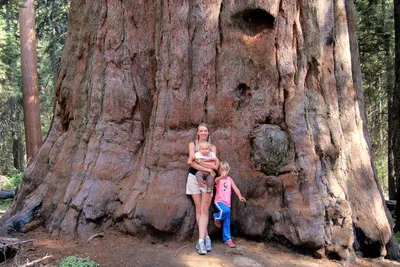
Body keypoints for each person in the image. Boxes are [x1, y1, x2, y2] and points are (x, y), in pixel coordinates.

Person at [186, 123, 219, 255]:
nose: (204, 133)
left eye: (206, 131)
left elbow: (215, 166)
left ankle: (201, 240)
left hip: (208, 180)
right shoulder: (192, 145)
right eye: (201, 131)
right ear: (198, 132)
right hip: (194, 178)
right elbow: (191, 162)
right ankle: (205, 238)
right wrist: (206, 168)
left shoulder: (212, 147)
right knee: (198, 208)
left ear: (208, 132)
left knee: (204, 210)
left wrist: (200, 163)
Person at [213, 161, 246, 248]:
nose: (224, 172)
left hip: (227, 203)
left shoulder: (229, 179)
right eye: (222, 170)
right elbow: (215, 181)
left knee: (227, 222)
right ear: (219, 171)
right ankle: (216, 216)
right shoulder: (218, 179)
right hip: (219, 202)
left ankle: (227, 239)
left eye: (226, 170)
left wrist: (240, 196)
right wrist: (220, 177)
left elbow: (235, 188)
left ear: (228, 170)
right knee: (227, 210)